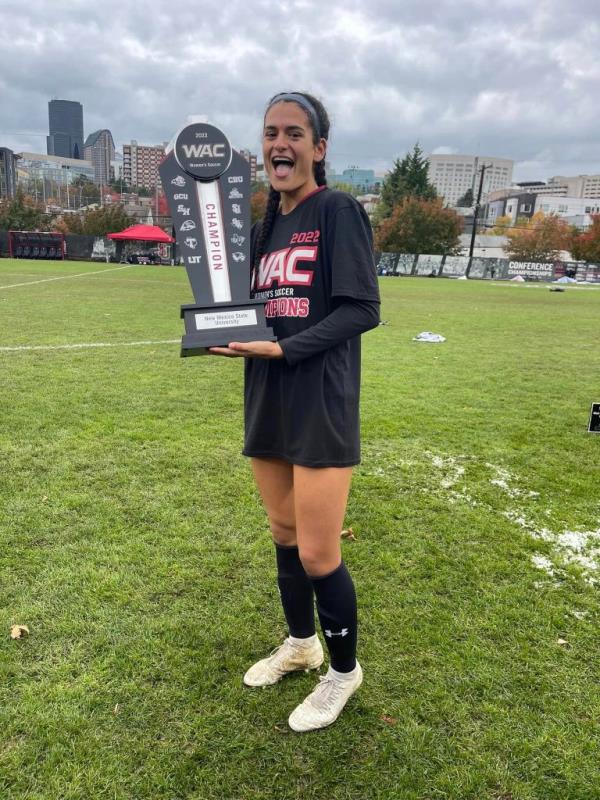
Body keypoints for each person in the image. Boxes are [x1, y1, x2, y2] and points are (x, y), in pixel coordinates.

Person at [208, 91, 380, 732]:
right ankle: (301, 644)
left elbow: (362, 308)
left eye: (294, 134)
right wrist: (222, 329)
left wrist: (281, 349)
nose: (280, 144)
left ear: (319, 148)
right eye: (271, 133)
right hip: (268, 396)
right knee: (283, 536)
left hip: (320, 401)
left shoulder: (336, 210)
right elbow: (252, 307)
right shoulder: (261, 228)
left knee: (317, 553)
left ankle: (343, 672)